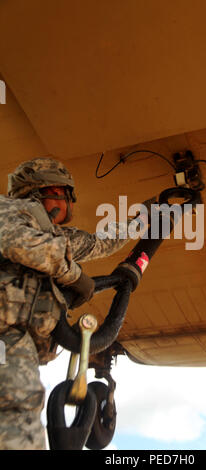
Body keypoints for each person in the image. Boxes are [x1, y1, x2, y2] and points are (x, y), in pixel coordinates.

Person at [0, 157, 140, 450]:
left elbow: (101, 242)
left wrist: (148, 216)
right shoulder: (9, 209)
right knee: (16, 408)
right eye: (66, 194)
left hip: (17, 340)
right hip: (4, 338)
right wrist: (74, 276)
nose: (69, 203)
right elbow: (19, 243)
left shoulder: (53, 235)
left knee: (19, 407)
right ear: (48, 190)